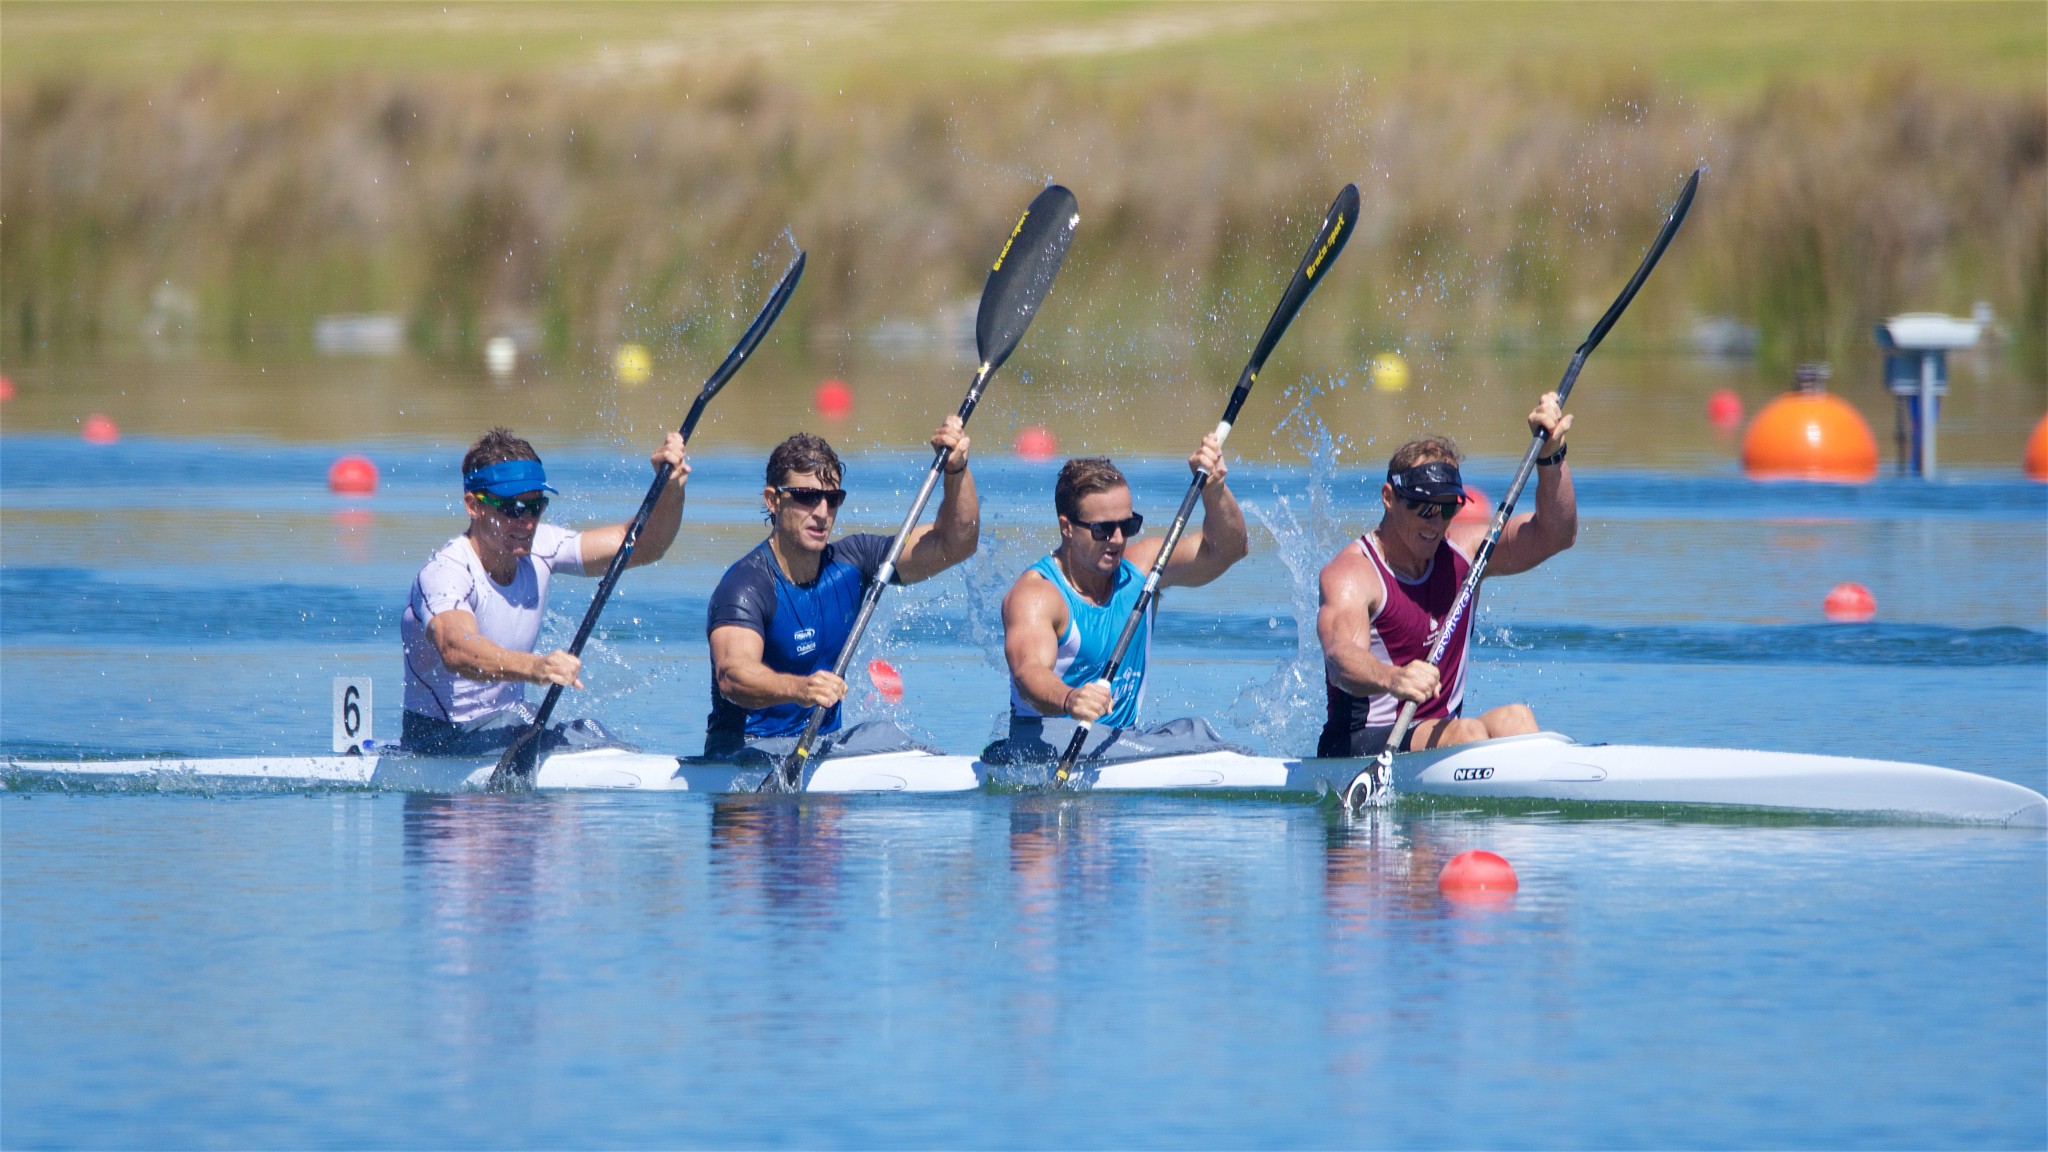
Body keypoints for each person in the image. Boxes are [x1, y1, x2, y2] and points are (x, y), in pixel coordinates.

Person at [1316, 392, 1577, 759]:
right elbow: (1339, 658)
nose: (1435, 522)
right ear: (1389, 497)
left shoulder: (1466, 554)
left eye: (1446, 508)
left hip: (1443, 737)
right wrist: (1394, 678)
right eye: (1422, 507)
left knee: (1517, 719)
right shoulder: (1353, 574)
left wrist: (1552, 455)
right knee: (1468, 731)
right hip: (1359, 744)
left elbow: (1556, 535)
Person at [399, 427, 689, 754]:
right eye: (512, 508)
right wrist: (536, 667)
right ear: (473, 505)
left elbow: (640, 546)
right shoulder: (446, 572)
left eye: (535, 506)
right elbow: (455, 648)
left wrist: (671, 489)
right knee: (563, 734)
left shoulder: (543, 546)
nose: (526, 522)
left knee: (590, 730)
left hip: (507, 727)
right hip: (439, 739)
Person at [704, 420, 978, 761]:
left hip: (822, 745)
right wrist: (801, 689)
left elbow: (956, 543)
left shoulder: (855, 561)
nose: (821, 513)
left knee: (888, 734)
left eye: (832, 499)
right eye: (806, 498)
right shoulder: (746, 586)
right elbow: (733, 676)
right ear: (773, 500)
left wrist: (957, 471)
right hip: (747, 750)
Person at [990, 434, 1250, 766]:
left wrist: (1214, 491)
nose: (1117, 540)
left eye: (1128, 526)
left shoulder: (1144, 571)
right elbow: (1028, 674)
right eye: (1102, 530)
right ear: (1066, 528)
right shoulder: (1038, 595)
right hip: (1045, 744)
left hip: (1120, 742)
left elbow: (1228, 550)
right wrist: (1070, 699)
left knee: (1194, 731)